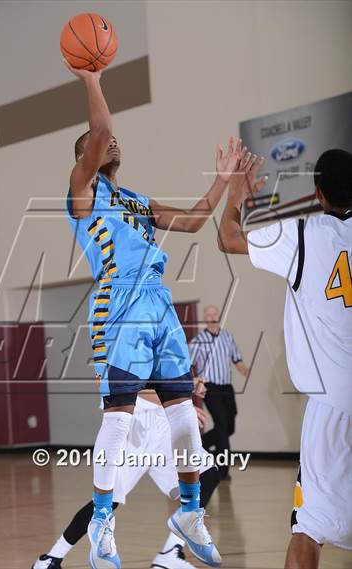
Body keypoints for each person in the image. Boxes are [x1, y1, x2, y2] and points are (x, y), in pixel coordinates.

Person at [63, 59, 243, 568]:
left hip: (158, 302)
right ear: (84, 159)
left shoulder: (136, 200)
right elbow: (99, 130)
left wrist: (226, 183)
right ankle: (102, 522)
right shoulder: (83, 193)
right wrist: (92, 79)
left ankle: (188, 511)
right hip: (119, 302)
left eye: (114, 144)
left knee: (182, 410)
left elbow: (189, 222)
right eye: (98, 146)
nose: (111, 144)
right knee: (118, 417)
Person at [217, 148, 352, 569]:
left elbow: (229, 238)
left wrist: (235, 194)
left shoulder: (305, 234)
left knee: (307, 528)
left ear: (318, 193)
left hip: (333, 406)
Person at [32, 389, 221, 569]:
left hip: (160, 422)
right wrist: (181, 405)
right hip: (132, 420)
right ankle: (51, 559)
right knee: (107, 500)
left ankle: (171, 552)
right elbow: (136, 387)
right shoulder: (121, 356)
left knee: (206, 473)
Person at [189, 305, 249, 480]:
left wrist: (244, 370)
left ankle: (200, 445)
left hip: (226, 387)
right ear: (204, 318)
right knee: (222, 426)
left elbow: (236, 358)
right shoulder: (198, 340)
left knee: (229, 426)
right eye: (208, 314)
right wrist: (196, 382)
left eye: (214, 314)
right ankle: (222, 470)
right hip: (210, 388)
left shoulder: (228, 337)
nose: (212, 317)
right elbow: (187, 364)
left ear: (219, 316)